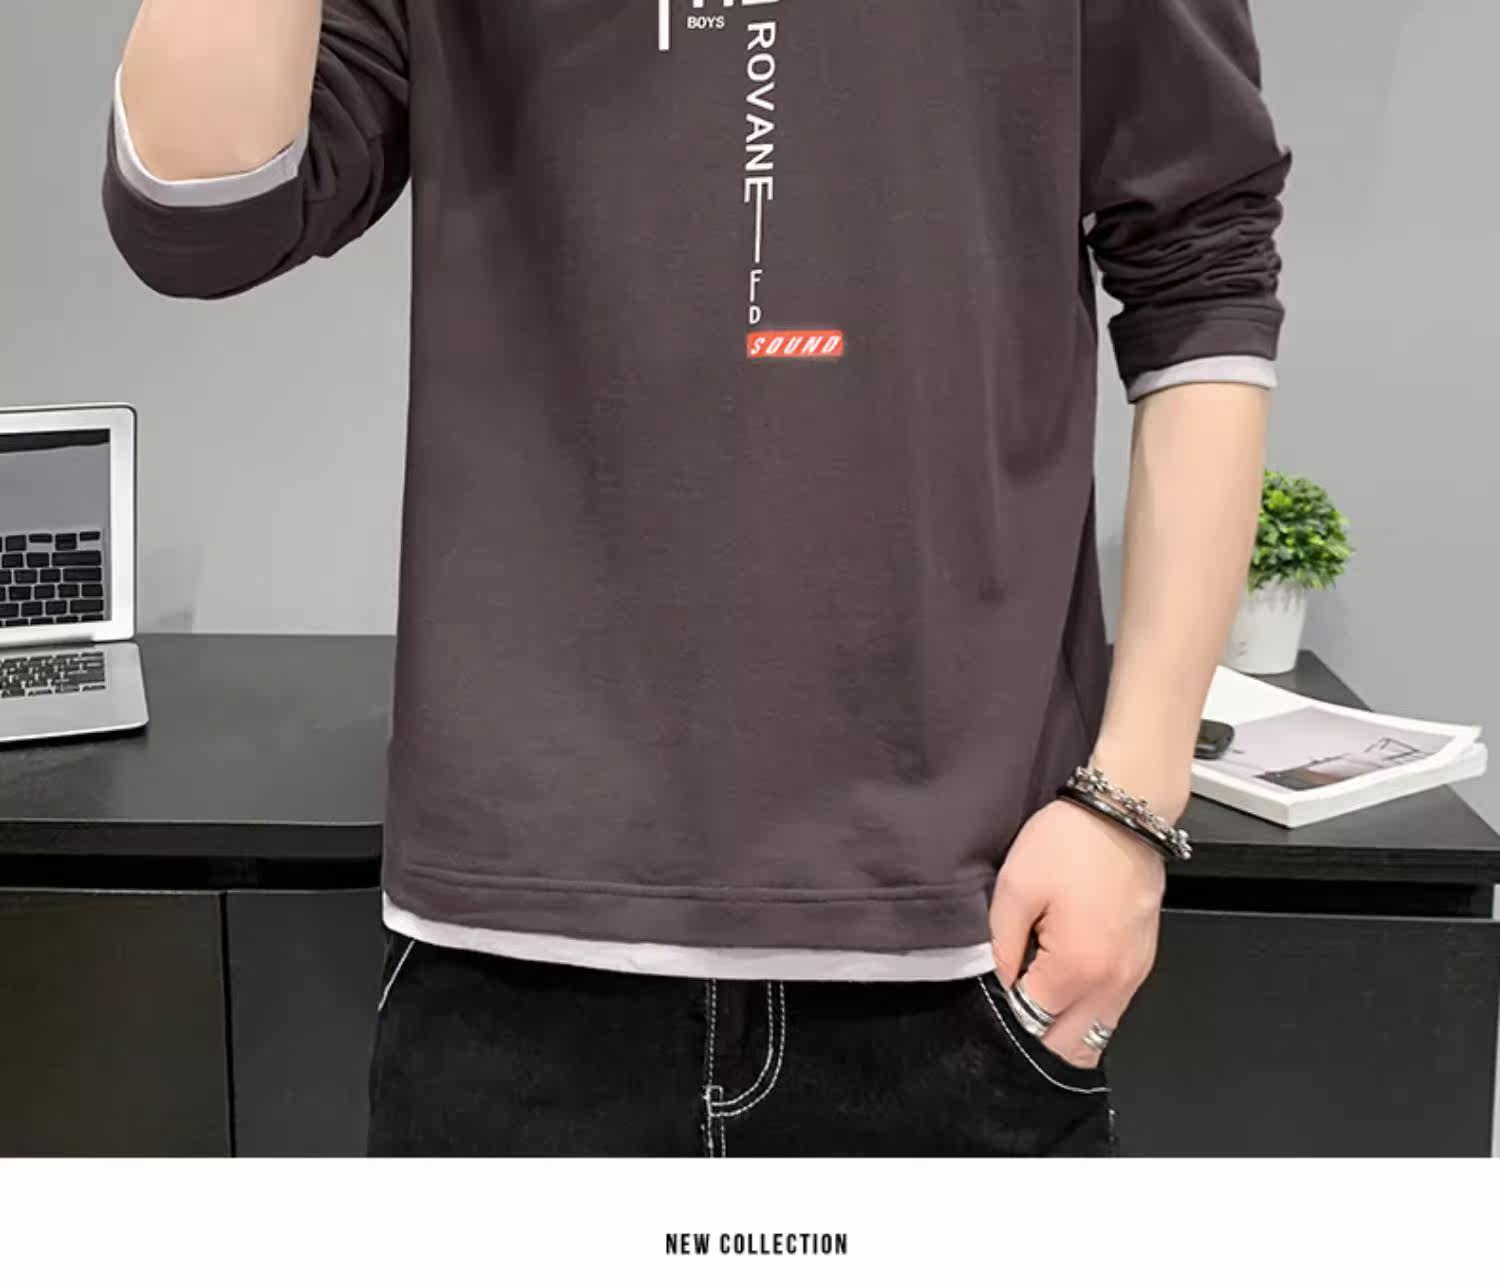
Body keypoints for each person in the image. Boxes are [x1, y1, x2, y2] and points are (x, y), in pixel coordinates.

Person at [103, 0, 1289, 1157]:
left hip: (967, 932)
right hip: (515, 948)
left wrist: (1132, 807)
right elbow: (202, 218)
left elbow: (1201, 259)